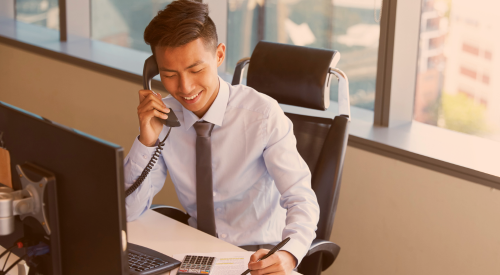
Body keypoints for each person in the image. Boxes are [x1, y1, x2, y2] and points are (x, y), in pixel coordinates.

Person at [124, 0, 320, 274]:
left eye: (195, 70)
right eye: (169, 74)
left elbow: (301, 197)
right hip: (195, 254)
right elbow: (127, 211)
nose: (185, 87)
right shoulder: (163, 117)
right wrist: (147, 141)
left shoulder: (262, 115)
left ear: (218, 55)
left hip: (255, 257)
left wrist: (289, 254)